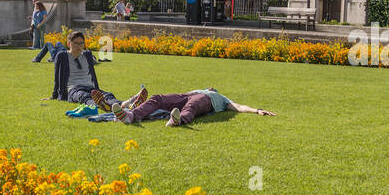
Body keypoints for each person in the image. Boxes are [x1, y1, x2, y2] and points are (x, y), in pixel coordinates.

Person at [114, 87, 275, 127]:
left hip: (204, 101)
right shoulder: (201, 89)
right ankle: (131, 116)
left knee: (193, 105)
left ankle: (179, 120)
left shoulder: (220, 98)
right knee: (158, 98)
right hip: (186, 95)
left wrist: (257, 110)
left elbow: (239, 107)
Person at [50, 30, 128, 112]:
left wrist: (97, 89)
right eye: (76, 43)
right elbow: (57, 77)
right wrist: (54, 95)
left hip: (90, 87)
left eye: (81, 43)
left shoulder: (87, 55)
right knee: (83, 96)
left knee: (108, 95)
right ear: (69, 44)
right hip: (74, 89)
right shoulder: (62, 56)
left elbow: (93, 74)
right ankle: (100, 105)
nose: (79, 46)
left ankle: (125, 105)